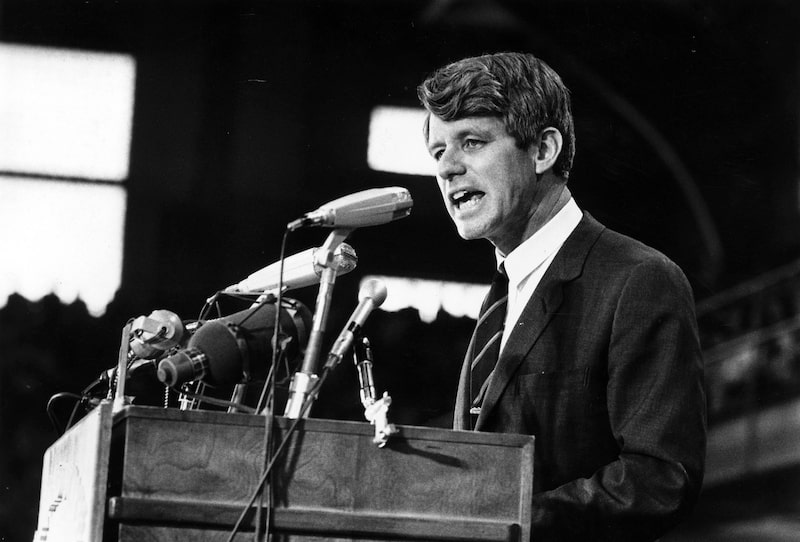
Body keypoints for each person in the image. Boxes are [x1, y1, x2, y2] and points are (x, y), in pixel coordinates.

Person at [417, 52, 706, 542]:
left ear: (543, 149)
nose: (447, 168)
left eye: (471, 141)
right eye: (438, 151)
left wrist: (506, 524)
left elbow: (659, 480)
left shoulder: (639, 279)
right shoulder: (503, 295)